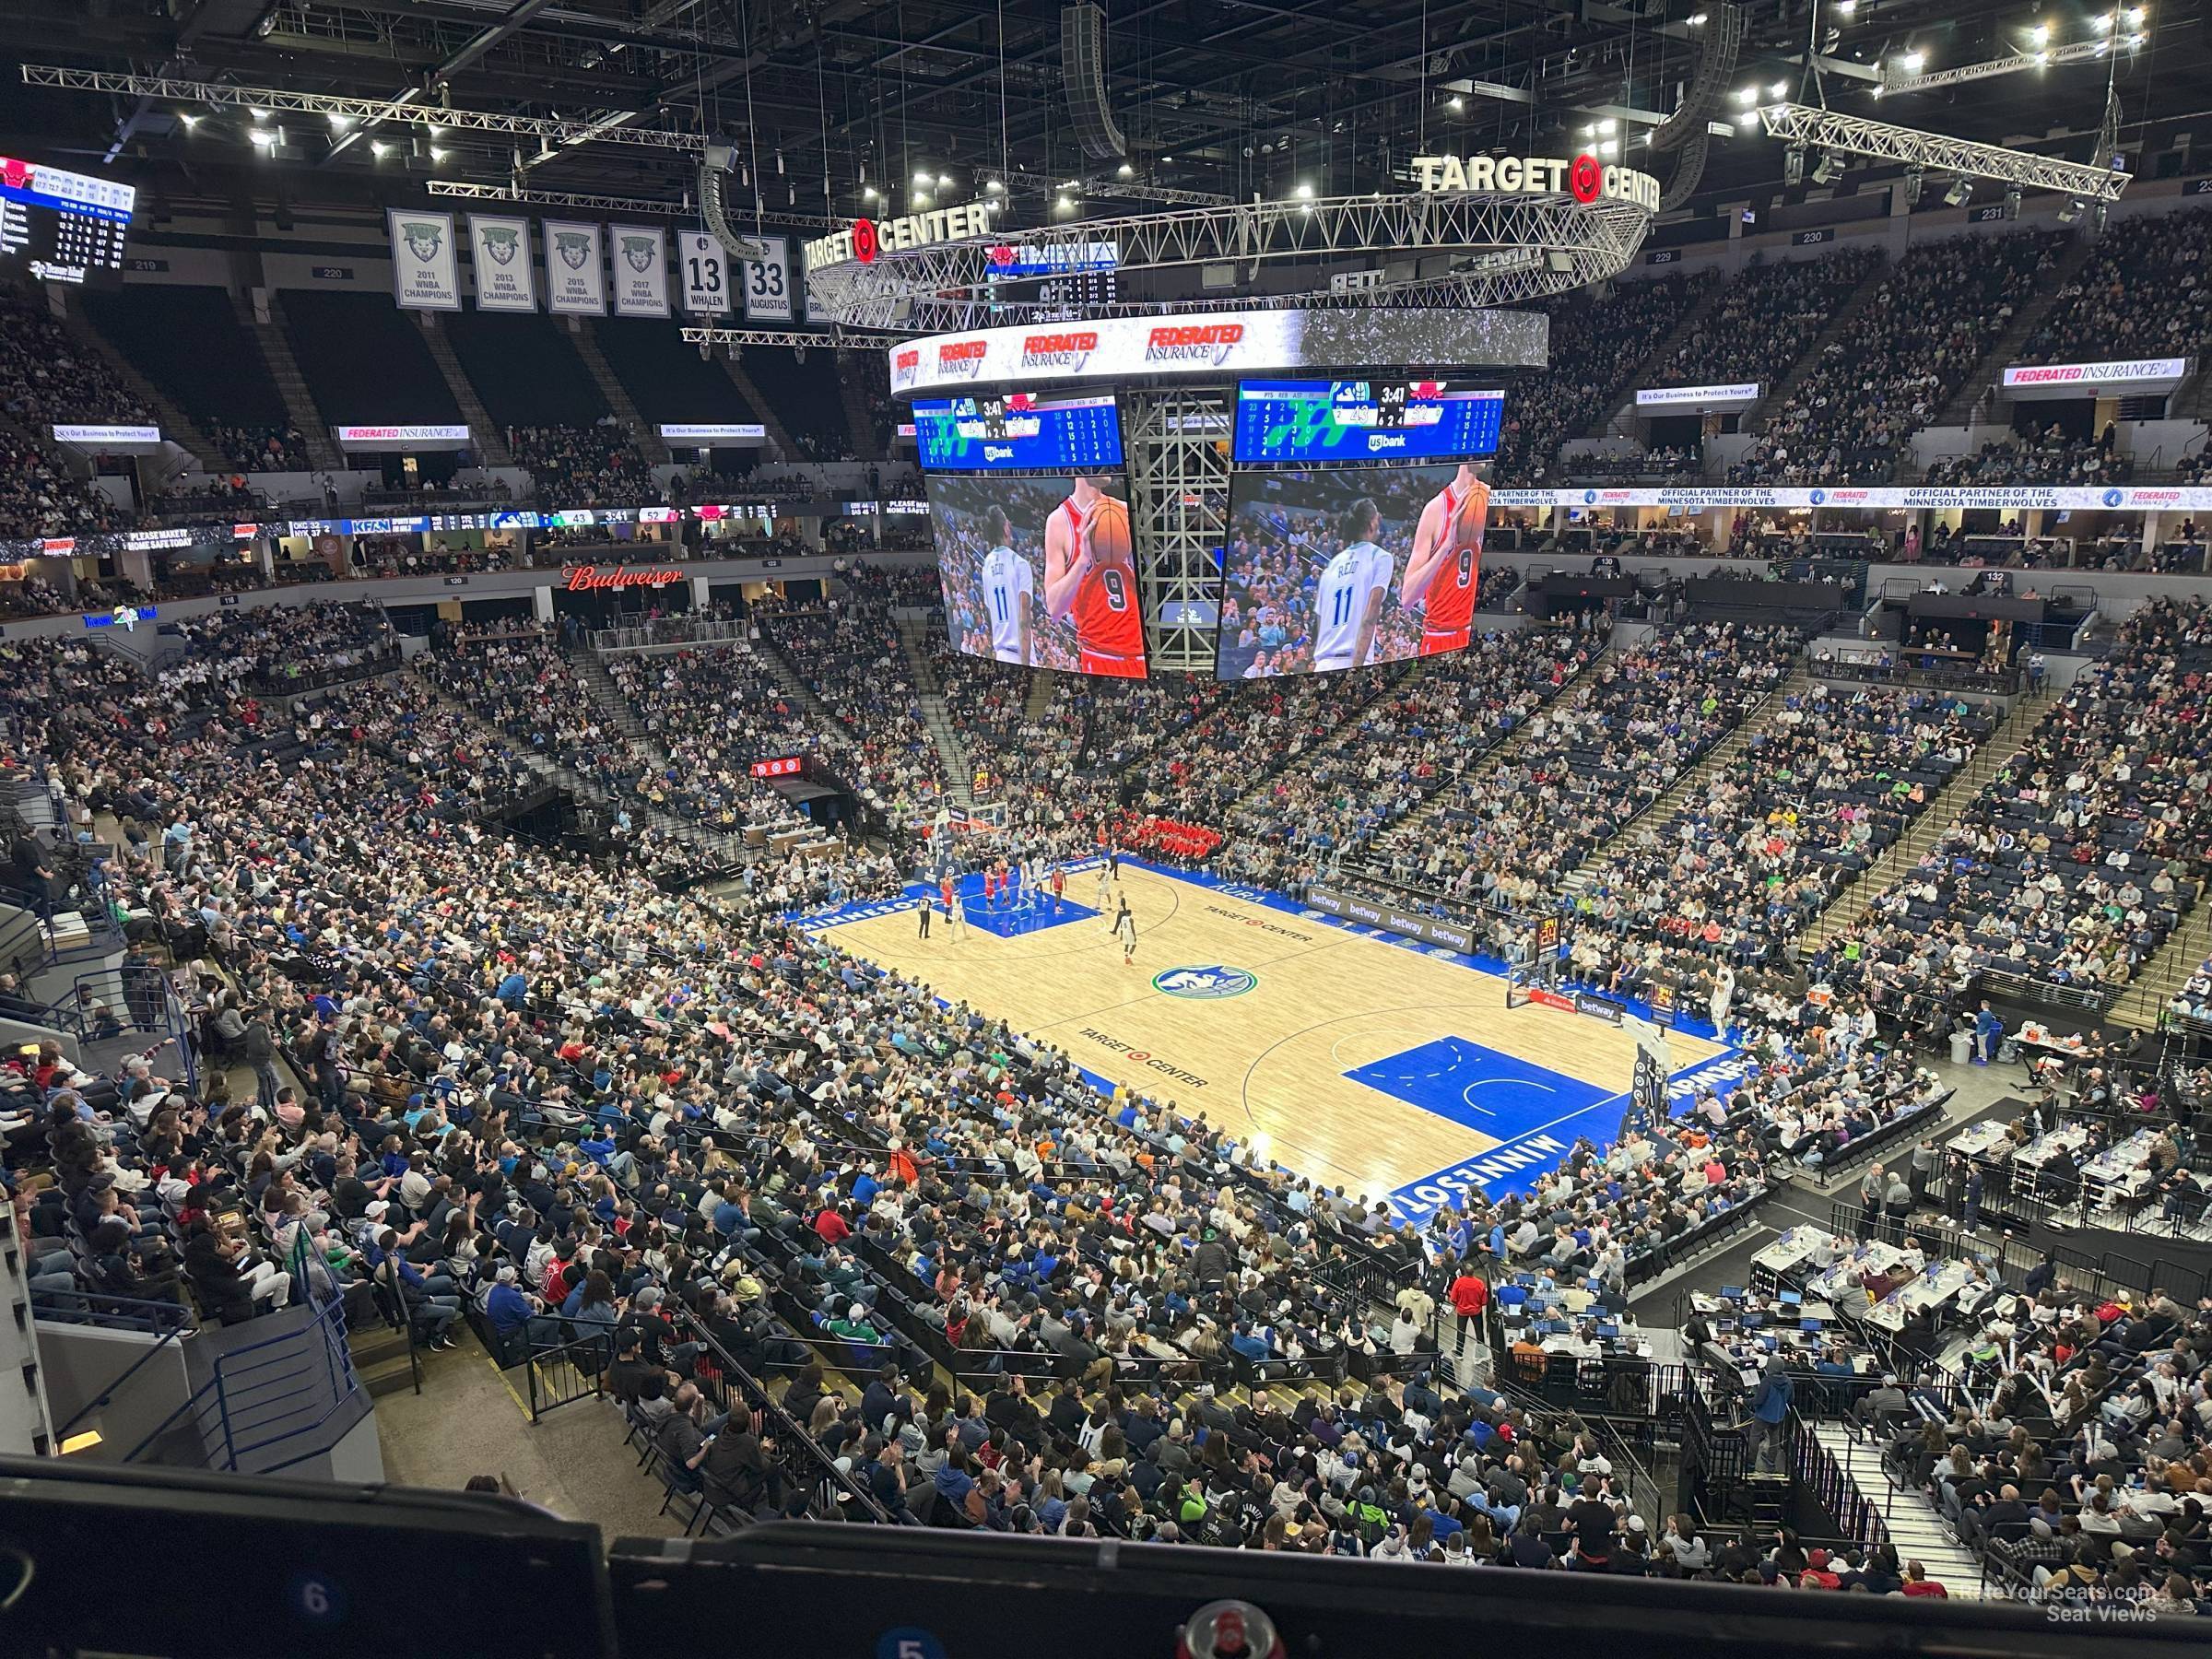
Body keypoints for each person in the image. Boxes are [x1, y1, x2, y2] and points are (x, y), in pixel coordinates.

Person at [1041, 476, 1144, 677]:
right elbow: (1054, 609)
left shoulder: (1124, 511)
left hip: (1142, 650)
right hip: (1099, 654)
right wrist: (1084, 558)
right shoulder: (1060, 521)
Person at [1400, 462, 1488, 656]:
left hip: (1472, 633)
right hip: (1440, 635)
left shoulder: (1487, 497)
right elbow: (1407, 599)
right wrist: (1446, 546)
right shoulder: (1436, 509)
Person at [1312, 498, 1393, 672]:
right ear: (1372, 524)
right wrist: (1356, 670)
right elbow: (1370, 617)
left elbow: (1320, 620)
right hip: (1353, 659)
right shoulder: (1380, 557)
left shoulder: (1332, 564)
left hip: (1323, 662)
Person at [975, 505, 1035, 666]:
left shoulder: (986, 565)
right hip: (1020, 654)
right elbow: (1024, 620)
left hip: (1001, 653)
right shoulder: (1020, 564)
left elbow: (990, 609)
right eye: (1008, 522)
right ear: (1006, 530)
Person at [1744, 1355, 1792, 1476]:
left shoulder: (1767, 1381)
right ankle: (1771, 1461)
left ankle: (1750, 1463)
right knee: (1774, 1437)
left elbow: (1758, 1400)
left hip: (1763, 1415)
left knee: (1754, 1435)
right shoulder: (1788, 1381)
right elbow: (1791, 1399)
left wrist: (1744, 1401)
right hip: (1778, 1416)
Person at [1112, 898, 1138, 966]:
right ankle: (1129, 958)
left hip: (1124, 933)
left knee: (1126, 946)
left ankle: (1126, 958)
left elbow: (1121, 927)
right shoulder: (1131, 919)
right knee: (1134, 945)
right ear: (1130, 913)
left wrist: (1121, 935)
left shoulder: (1123, 918)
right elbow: (1132, 928)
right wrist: (1134, 936)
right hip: (1129, 933)